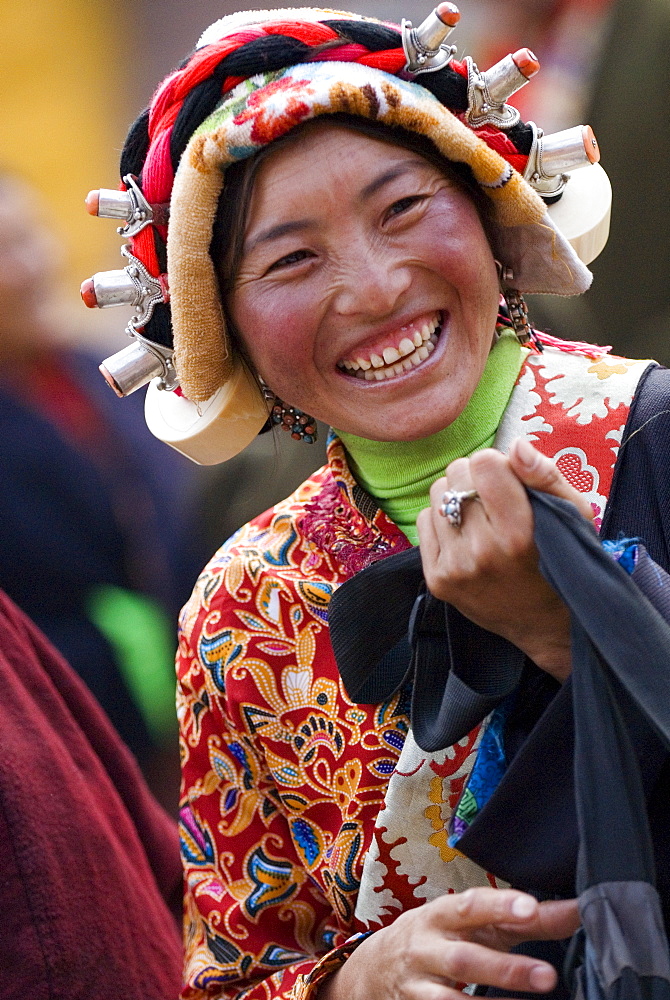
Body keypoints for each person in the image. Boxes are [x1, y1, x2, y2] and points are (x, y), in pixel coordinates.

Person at [82, 5, 667, 997]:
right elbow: (231, 973)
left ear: (489, 215)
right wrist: (356, 977)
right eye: (291, 259)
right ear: (224, 327)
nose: (373, 286)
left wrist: (570, 628)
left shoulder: (651, 437)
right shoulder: (241, 612)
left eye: (402, 209)